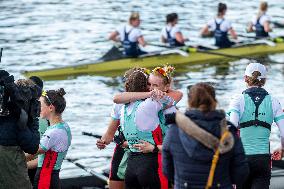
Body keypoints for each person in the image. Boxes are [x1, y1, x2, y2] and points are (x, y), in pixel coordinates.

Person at [163, 82, 249, 189]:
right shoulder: (228, 130)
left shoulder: (174, 130)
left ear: (189, 102)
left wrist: (180, 180)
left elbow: (167, 170)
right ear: (214, 100)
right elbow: (241, 172)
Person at [228, 63, 284, 189]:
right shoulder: (274, 102)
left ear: (245, 78)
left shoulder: (237, 100)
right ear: (264, 81)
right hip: (263, 160)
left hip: (242, 159)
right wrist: (282, 148)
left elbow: (231, 129)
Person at [96, 68, 147, 189]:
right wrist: (103, 142)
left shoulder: (149, 102)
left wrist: (103, 142)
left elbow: (108, 137)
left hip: (134, 153)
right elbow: (109, 136)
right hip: (133, 153)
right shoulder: (120, 103)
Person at [0, 71, 40, 189]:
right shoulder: (19, 120)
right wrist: (32, 121)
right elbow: (32, 147)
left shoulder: (5, 112)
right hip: (13, 176)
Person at [27, 88, 71, 189]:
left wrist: (10, 159)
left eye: (40, 106)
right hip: (52, 177)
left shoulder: (53, 132)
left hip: (45, 179)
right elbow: (41, 158)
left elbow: (32, 153)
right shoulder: (64, 126)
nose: (38, 109)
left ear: (51, 108)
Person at [27, 76, 49, 185]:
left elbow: (46, 155)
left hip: (37, 167)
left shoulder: (46, 119)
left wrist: (22, 164)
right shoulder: (24, 112)